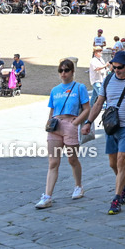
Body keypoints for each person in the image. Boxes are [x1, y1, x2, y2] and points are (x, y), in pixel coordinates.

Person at [82, 50, 125, 215]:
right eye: (114, 67)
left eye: (120, 67)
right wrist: (88, 122)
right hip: (111, 126)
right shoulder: (108, 79)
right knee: (112, 164)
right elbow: (99, 102)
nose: (116, 70)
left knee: (122, 161)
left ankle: (117, 198)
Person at [35, 59, 90, 209]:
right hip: (55, 125)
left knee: (72, 159)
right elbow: (52, 110)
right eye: (61, 70)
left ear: (72, 72)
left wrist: (76, 122)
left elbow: (87, 108)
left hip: (70, 124)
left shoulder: (79, 88)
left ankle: (78, 186)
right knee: (53, 162)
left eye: (66, 70)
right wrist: (48, 123)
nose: (63, 73)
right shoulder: (55, 90)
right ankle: (47, 196)